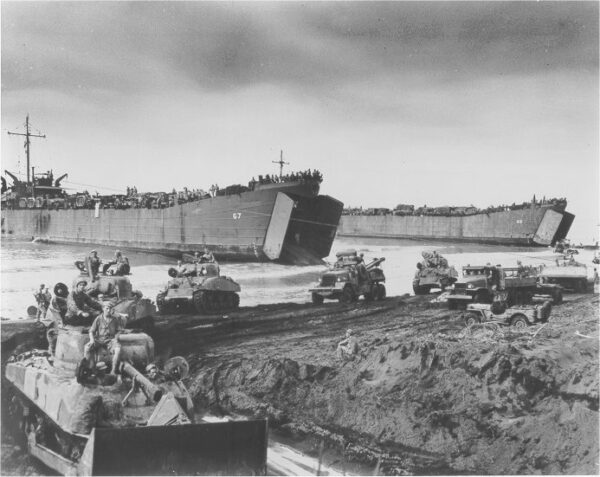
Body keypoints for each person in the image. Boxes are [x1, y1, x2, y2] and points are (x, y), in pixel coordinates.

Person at [84, 301, 124, 375]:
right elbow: (91, 331)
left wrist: (116, 338)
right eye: (107, 308)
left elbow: (118, 331)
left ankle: (113, 370)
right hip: (99, 339)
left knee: (118, 349)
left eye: (110, 308)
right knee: (87, 348)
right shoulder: (98, 318)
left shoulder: (114, 319)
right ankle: (90, 369)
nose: (109, 310)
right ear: (103, 309)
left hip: (110, 340)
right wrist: (92, 340)